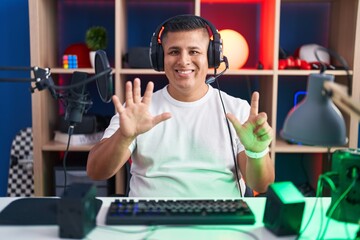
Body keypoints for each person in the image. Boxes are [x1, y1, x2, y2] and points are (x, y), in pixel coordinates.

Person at [87, 14, 274, 198]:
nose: (183, 61)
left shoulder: (237, 109)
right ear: (160, 58)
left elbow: (261, 184)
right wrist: (124, 137)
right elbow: (96, 172)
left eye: (194, 51)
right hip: (149, 219)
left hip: (219, 220)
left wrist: (256, 153)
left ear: (211, 56)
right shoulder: (137, 111)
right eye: (174, 51)